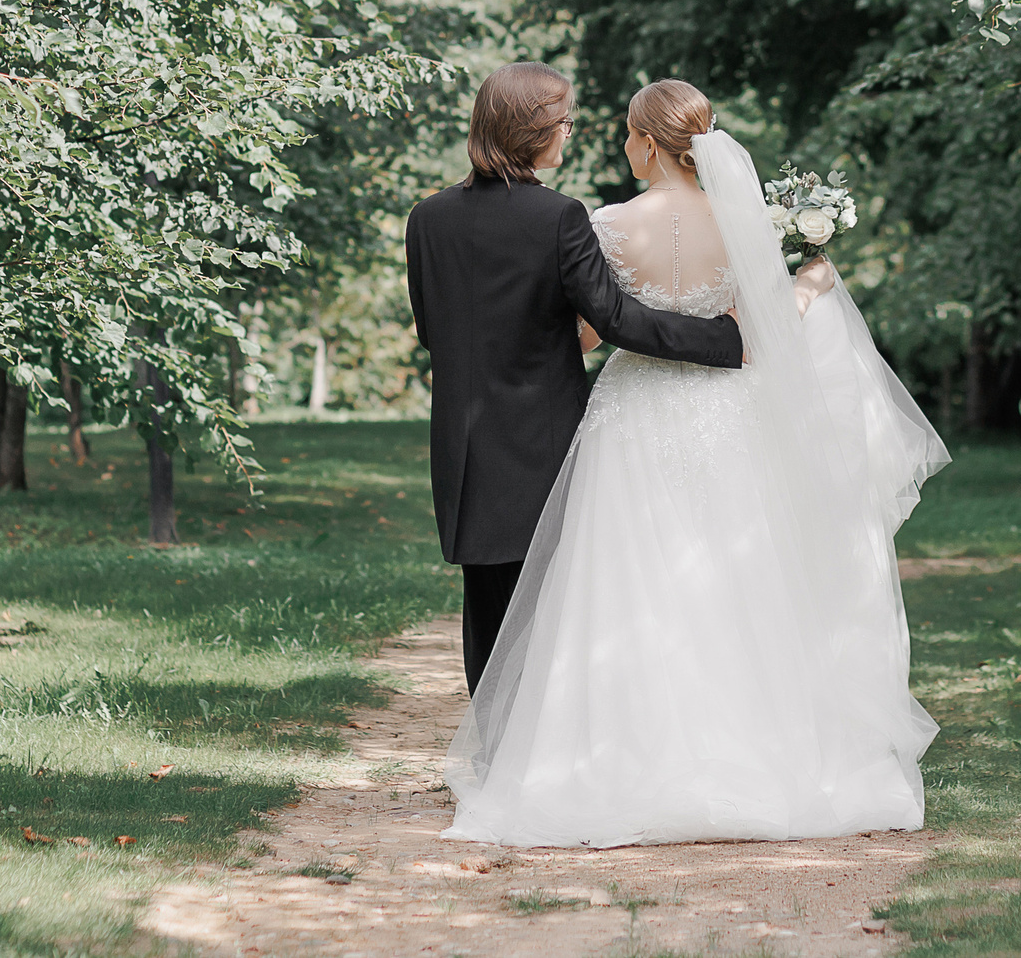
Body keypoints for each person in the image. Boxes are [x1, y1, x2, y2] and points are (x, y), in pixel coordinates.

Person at [443, 78, 950, 848]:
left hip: (634, 414)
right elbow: (765, 328)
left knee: (624, 578)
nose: (619, 145)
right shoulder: (749, 224)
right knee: (735, 577)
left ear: (648, 143)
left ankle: (615, 750)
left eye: (623, 133)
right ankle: (754, 749)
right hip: (727, 411)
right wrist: (807, 282)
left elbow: (590, 334)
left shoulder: (606, 223)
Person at [405, 63, 746, 695]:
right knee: (555, 608)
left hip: (468, 446)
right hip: (546, 437)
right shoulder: (560, 216)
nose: (571, 133)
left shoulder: (427, 219)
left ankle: (492, 758)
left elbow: (432, 330)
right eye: (565, 122)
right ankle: (539, 764)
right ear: (533, 131)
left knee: (487, 607)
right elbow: (615, 317)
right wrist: (725, 338)